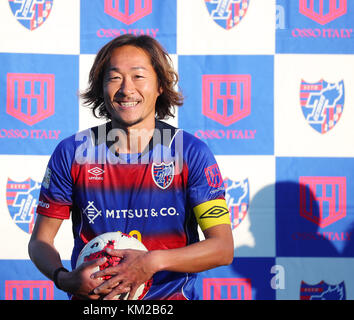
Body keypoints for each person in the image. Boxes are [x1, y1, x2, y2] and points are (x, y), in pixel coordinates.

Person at [28, 34, 234, 300]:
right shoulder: (73, 152)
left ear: (160, 85)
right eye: (114, 77)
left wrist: (150, 263)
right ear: (101, 87)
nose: (126, 89)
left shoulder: (189, 152)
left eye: (138, 76)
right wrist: (63, 278)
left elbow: (222, 248)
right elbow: (40, 241)